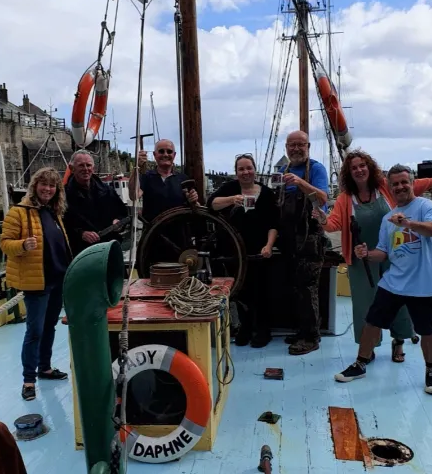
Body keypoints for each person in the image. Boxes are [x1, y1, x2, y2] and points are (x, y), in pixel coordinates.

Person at [314, 150, 432, 362]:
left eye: (362, 166)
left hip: (394, 255)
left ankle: (399, 341)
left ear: (370, 168)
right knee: (365, 305)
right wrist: (322, 220)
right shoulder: (344, 199)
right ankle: (369, 347)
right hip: (363, 257)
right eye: (353, 168)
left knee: (400, 302)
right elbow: (333, 224)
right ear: (348, 173)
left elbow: (420, 184)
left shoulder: (386, 187)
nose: (359, 170)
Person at [333, 164, 432, 395]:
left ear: (412, 183)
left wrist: (409, 224)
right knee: (372, 322)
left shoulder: (426, 207)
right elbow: (383, 253)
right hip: (394, 282)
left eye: (404, 182)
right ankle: (361, 363)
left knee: (428, 330)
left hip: (423, 285)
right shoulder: (387, 219)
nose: (400, 187)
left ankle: (431, 372)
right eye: (395, 184)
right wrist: (366, 253)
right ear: (390, 187)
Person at [0, 167, 73, 401]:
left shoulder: (54, 212)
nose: (48, 189)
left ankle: (45, 367)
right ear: (35, 186)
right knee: (35, 331)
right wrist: (22, 245)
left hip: (57, 279)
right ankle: (28, 380)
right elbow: (4, 243)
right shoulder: (18, 213)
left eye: (53, 186)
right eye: (44, 185)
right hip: (36, 282)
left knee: (49, 327)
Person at [207, 153, 279, 347]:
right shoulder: (230, 189)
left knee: (261, 291)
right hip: (234, 252)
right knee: (239, 291)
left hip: (259, 251)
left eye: (249, 168)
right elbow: (211, 205)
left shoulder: (266, 193)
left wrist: (269, 245)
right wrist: (233, 199)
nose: (246, 172)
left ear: (254, 170)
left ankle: (263, 330)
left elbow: (273, 223)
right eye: (241, 169)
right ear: (236, 172)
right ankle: (245, 328)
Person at [275, 130, 329, 355]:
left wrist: (299, 183)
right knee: (295, 288)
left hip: (310, 237)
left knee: (308, 289)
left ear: (308, 147)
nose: (296, 149)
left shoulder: (316, 169)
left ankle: (311, 336)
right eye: (291, 145)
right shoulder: (283, 170)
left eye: (300, 145)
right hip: (289, 238)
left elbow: (323, 198)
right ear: (286, 148)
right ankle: (302, 330)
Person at [63, 151, 128, 257]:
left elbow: (123, 213)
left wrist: (119, 223)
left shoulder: (108, 191)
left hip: (109, 248)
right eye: (81, 165)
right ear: (72, 168)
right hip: (80, 252)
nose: (86, 169)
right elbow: (61, 225)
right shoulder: (63, 195)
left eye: (88, 165)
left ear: (93, 168)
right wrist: (81, 234)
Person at [129, 138, 199, 223]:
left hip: (180, 233)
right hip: (153, 233)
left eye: (169, 152)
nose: (165, 155)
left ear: (174, 155)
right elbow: (133, 195)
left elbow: (195, 207)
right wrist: (137, 167)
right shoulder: (146, 177)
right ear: (155, 155)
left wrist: (193, 201)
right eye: (161, 151)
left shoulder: (184, 179)